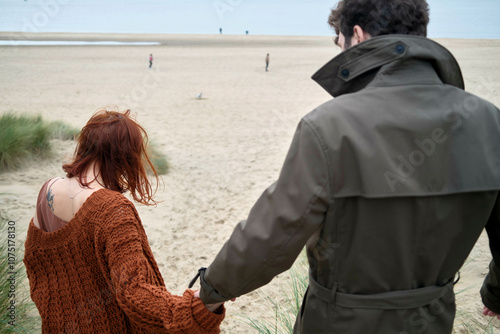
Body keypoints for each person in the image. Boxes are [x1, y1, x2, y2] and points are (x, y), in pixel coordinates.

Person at [190, 0, 500, 333]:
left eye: (339, 44)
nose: (339, 54)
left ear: (357, 34)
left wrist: (211, 291)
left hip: (339, 322)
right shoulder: (488, 122)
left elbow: (273, 234)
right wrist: (495, 296)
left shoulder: (329, 126)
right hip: (433, 321)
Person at [24, 109, 225, 333]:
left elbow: (36, 267)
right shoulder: (112, 208)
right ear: (125, 156)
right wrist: (197, 307)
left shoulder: (47, 189)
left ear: (85, 145)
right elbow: (134, 292)